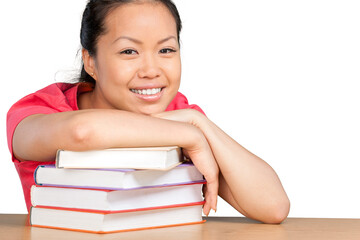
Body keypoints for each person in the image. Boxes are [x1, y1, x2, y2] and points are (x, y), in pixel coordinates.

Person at [6, 0, 290, 223]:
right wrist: (189, 135)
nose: (151, 71)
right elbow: (82, 132)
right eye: (129, 52)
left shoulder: (180, 114)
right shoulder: (40, 110)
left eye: (166, 50)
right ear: (90, 61)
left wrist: (198, 121)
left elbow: (273, 207)